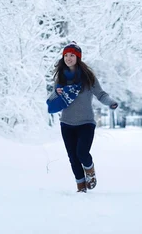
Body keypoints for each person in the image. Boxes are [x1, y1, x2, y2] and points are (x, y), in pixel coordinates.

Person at [47, 42, 118, 193]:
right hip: (66, 124)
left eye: (72, 55)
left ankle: (90, 170)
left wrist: (110, 102)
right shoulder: (61, 78)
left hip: (86, 123)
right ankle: (81, 187)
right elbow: (52, 97)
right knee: (73, 157)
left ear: (78, 57)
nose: (68, 58)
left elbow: (101, 94)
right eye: (66, 55)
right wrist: (57, 93)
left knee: (82, 153)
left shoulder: (87, 77)